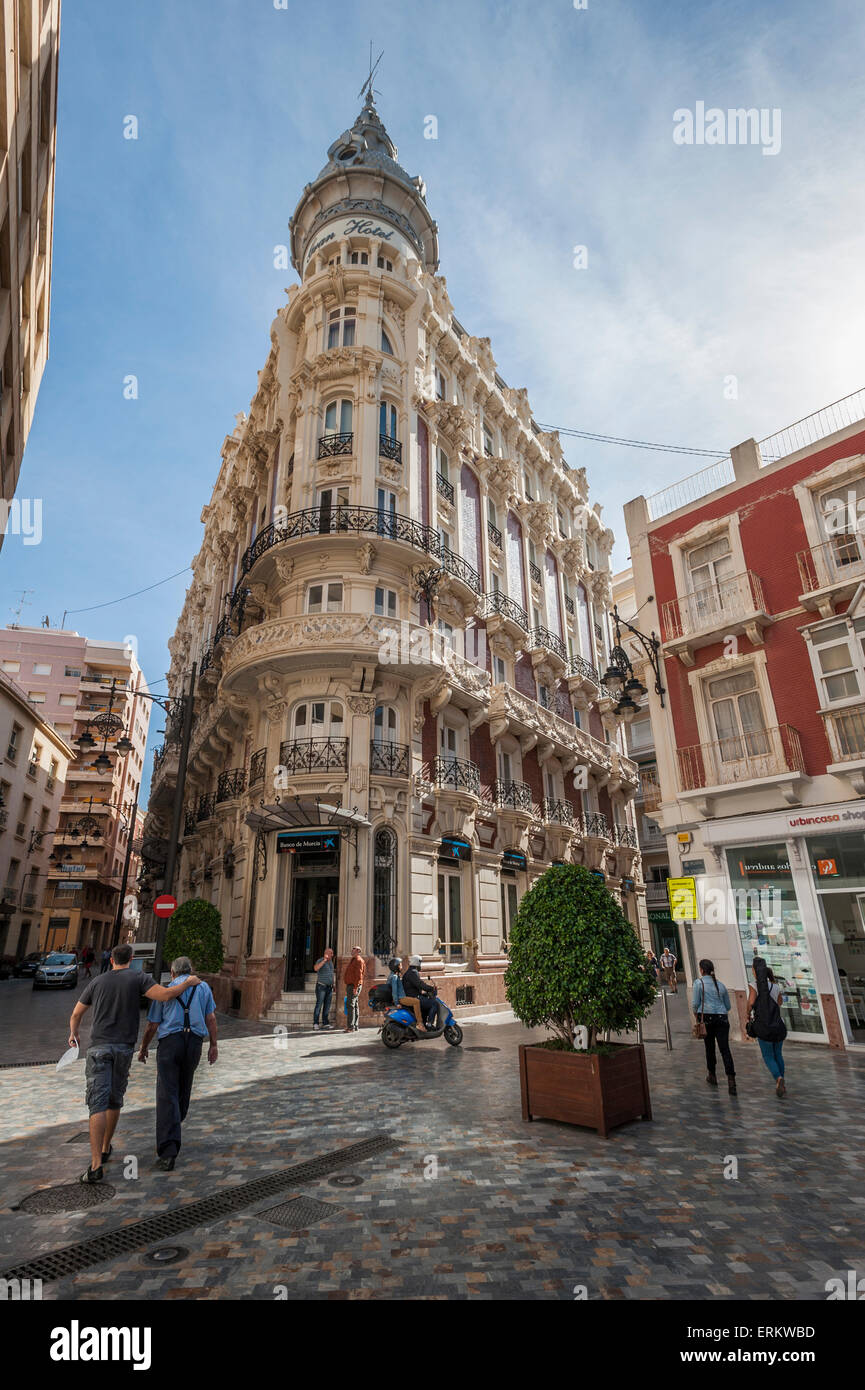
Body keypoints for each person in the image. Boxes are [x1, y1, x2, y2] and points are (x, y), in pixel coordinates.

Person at [68, 944, 202, 1184]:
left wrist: (74, 1034)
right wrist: (188, 983)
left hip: (98, 1047)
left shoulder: (97, 982)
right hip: (123, 1049)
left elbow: (76, 1013)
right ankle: (106, 1145)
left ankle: (97, 1162)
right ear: (131, 958)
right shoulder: (138, 977)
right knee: (114, 1099)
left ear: (111, 961)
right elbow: (165, 995)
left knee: (97, 1105)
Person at [138, 955, 218, 1171]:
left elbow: (152, 1025)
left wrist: (144, 1047)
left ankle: (168, 1150)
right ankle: (175, 1123)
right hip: (193, 1043)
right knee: (184, 1088)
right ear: (190, 970)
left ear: (172, 973)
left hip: (170, 1044)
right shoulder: (203, 989)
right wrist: (213, 1045)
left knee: (167, 1094)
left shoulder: (163, 991)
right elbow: (211, 1018)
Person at [691, 958, 737, 1095]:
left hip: (707, 1018)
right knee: (725, 1049)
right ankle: (731, 1080)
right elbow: (728, 1006)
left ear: (701, 970)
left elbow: (695, 1003)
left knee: (709, 1048)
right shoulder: (720, 985)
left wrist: (697, 1016)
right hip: (722, 1018)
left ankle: (712, 1075)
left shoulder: (698, 984)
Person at [747, 957, 788, 1097]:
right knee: (778, 1054)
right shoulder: (774, 986)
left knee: (767, 1055)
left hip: (763, 1026)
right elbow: (780, 1002)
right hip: (778, 1025)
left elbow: (751, 1002)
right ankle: (781, 1080)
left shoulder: (754, 985)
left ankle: (778, 1078)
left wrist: (747, 1013)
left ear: (754, 970)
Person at [386, 957, 424, 1030]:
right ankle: (419, 1023)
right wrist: (397, 1003)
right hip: (401, 998)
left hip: (401, 997)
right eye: (400, 965)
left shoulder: (393, 976)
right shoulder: (394, 977)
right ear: (395, 966)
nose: (401, 967)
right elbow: (394, 991)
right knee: (416, 1002)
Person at [401, 954, 436, 1027]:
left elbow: (418, 983)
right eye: (420, 963)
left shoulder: (410, 971)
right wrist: (431, 988)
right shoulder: (413, 972)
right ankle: (429, 1024)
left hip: (412, 995)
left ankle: (424, 1021)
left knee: (426, 1001)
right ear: (417, 963)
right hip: (414, 997)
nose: (421, 965)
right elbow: (420, 984)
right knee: (434, 1004)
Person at [343, 947, 365, 1032]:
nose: (351, 951)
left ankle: (350, 1027)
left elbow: (359, 976)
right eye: (352, 949)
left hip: (354, 986)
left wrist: (355, 987)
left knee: (350, 1005)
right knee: (354, 1004)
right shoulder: (354, 959)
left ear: (358, 952)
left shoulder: (359, 961)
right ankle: (355, 1026)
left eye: (354, 950)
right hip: (351, 985)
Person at [312, 947, 335, 1030]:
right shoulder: (320, 960)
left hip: (329, 987)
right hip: (321, 987)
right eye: (331, 953)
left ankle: (325, 1023)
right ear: (326, 953)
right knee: (319, 1005)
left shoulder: (331, 962)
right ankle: (315, 1023)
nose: (332, 955)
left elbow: (331, 974)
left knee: (327, 1006)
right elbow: (315, 968)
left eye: (332, 953)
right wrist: (324, 960)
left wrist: (333, 984)